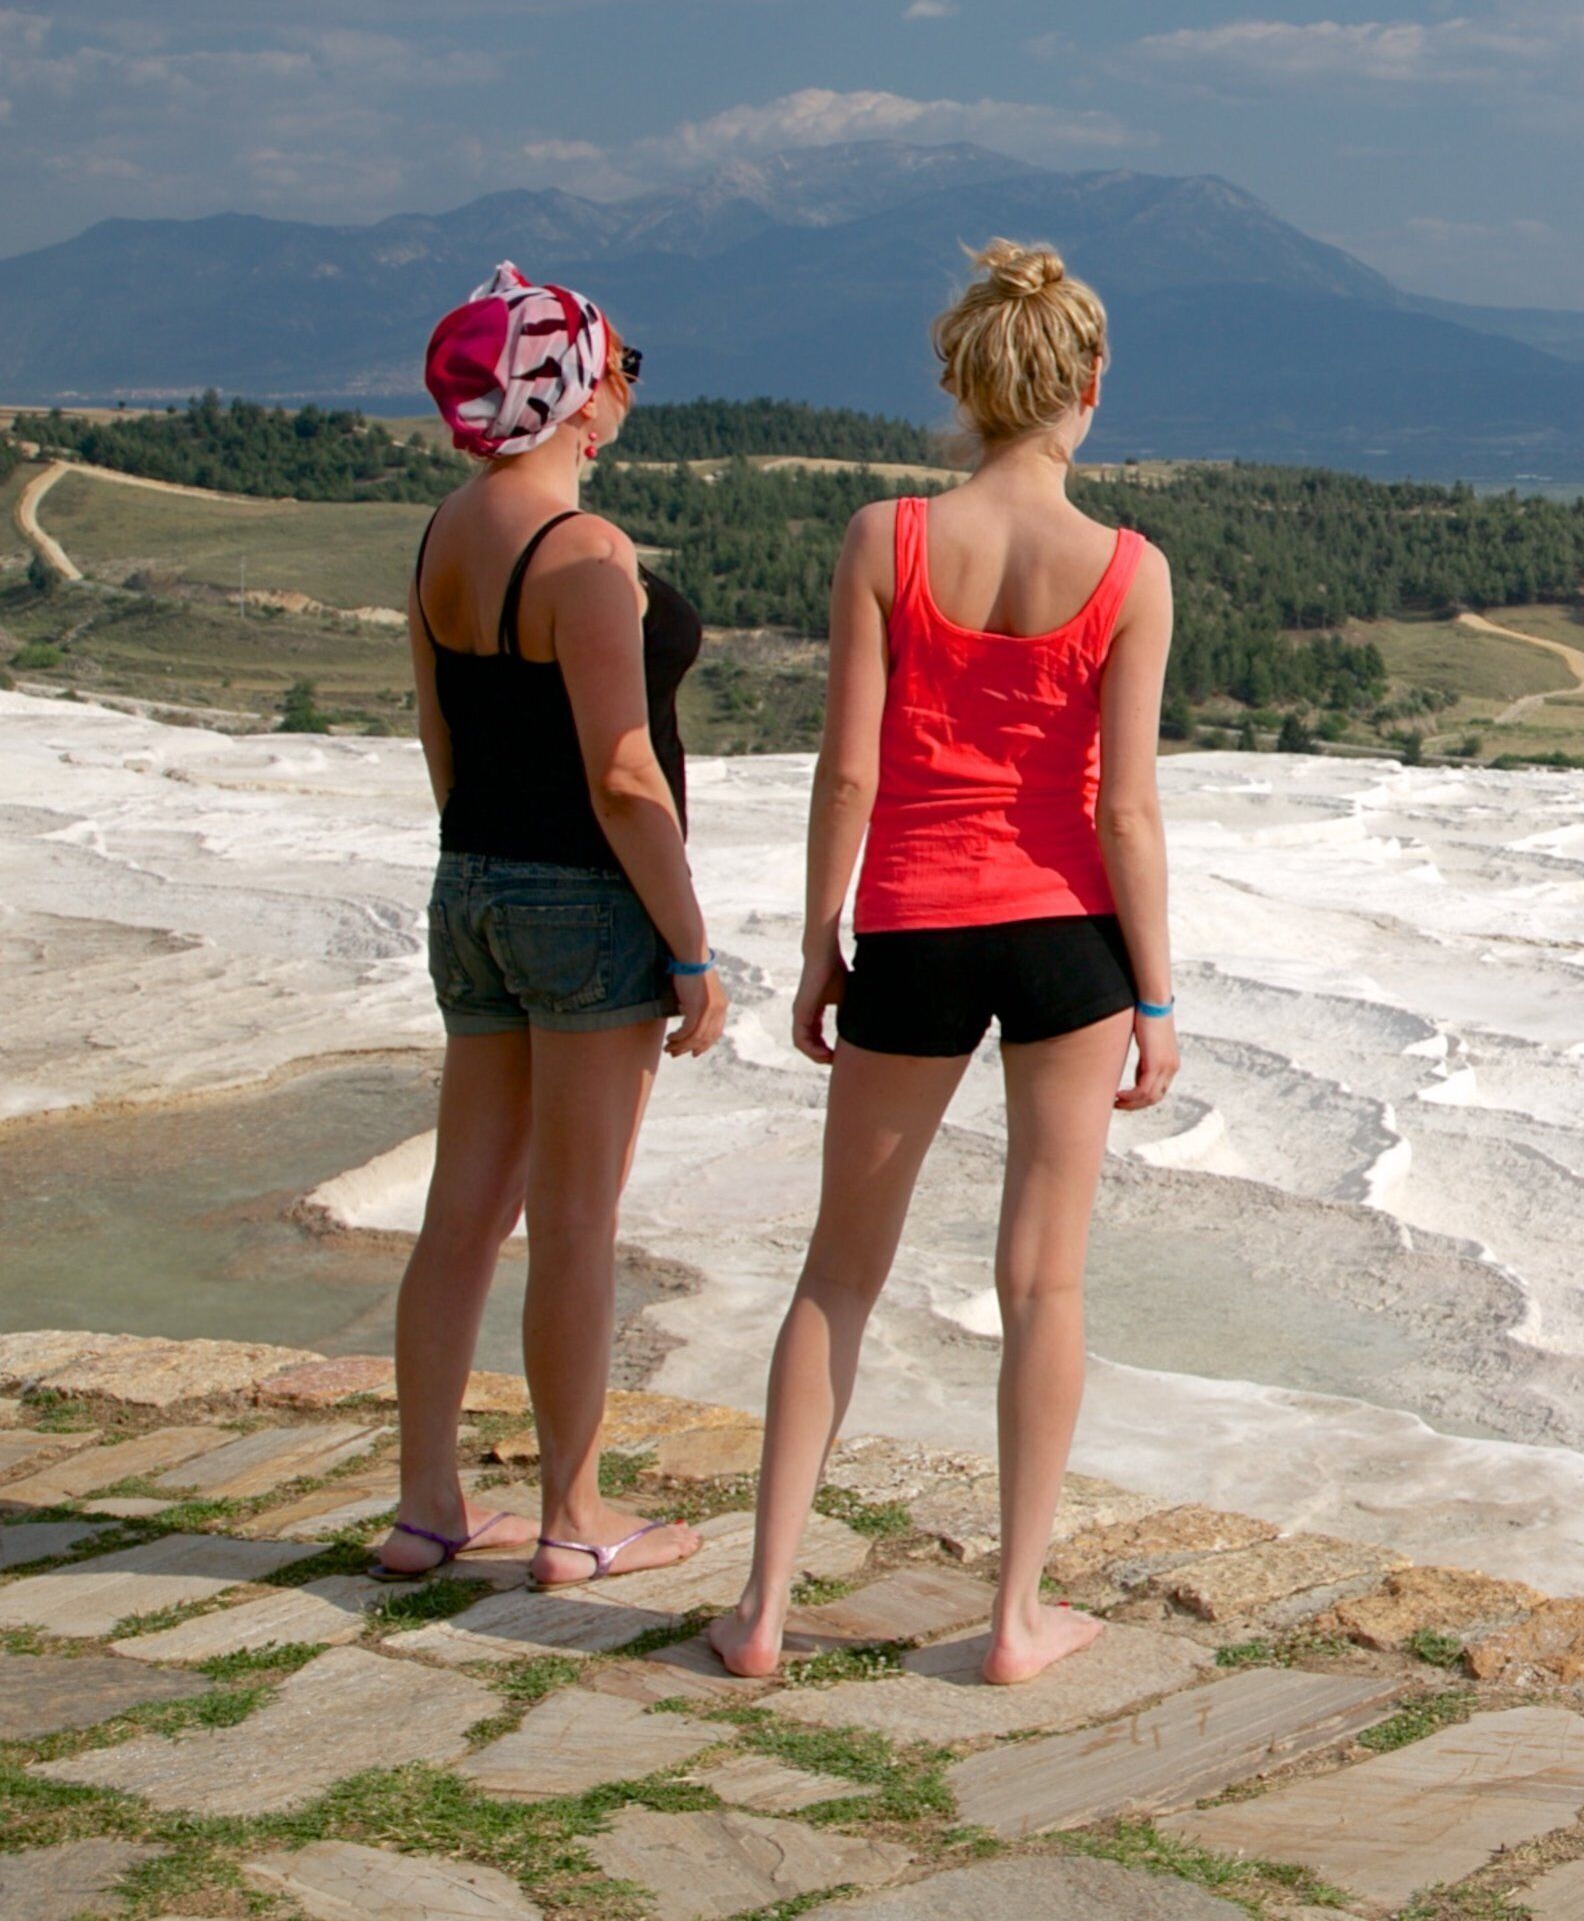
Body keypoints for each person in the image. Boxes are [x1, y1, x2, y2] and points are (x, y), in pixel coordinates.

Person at [709, 240, 1178, 1684]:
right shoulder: (1130, 568)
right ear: (1090, 387)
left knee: (838, 1276)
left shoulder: (885, 539)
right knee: (1046, 1285)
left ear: (960, 387)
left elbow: (846, 773)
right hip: (1065, 939)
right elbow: (1126, 806)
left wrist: (815, 947)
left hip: (912, 923)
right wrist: (1155, 999)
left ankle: (767, 1611)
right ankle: (1015, 1619)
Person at [381, 264, 724, 1587]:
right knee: (576, 1223)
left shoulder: (445, 532)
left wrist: (480, 868)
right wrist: (689, 947)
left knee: (461, 1215)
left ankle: (427, 1510)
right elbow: (625, 774)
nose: (630, 383)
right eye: (620, 361)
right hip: (586, 905)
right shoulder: (584, 554)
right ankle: (577, 1516)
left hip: (471, 882)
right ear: (571, 392)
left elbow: (438, 728)